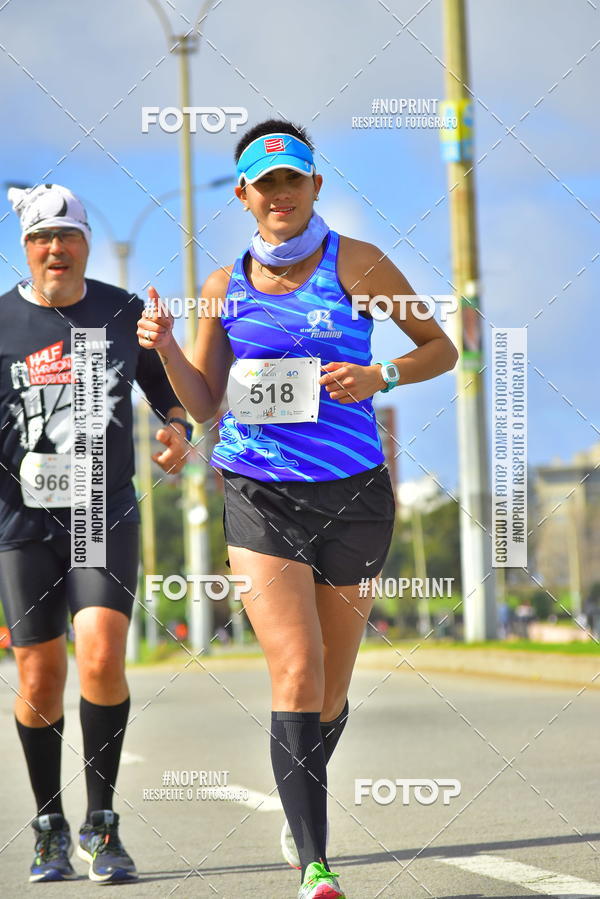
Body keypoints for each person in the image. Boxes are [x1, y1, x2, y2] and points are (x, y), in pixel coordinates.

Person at [137, 119, 458, 899]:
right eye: (265, 183)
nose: (280, 195)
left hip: (353, 493)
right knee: (298, 670)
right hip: (259, 490)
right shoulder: (223, 286)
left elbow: (440, 348)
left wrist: (381, 372)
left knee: (332, 693)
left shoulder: (358, 262)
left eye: (294, 180)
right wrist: (168, 348)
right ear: (243, 195)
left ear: (314, 186)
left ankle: (296, 797)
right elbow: (206, 402)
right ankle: (317, 862)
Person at [1, 183, 191, 883]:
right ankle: (49, 824)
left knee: (103, 656)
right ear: (26, 248)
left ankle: (102, 824)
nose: (56, 248)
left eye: (68, 235)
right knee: (39, 675)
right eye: (41, 238)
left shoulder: (120, 311)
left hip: (100, 515)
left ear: (83, 242)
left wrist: (176, 427)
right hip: (20, 521)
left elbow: (163, 389)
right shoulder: (1, 323)